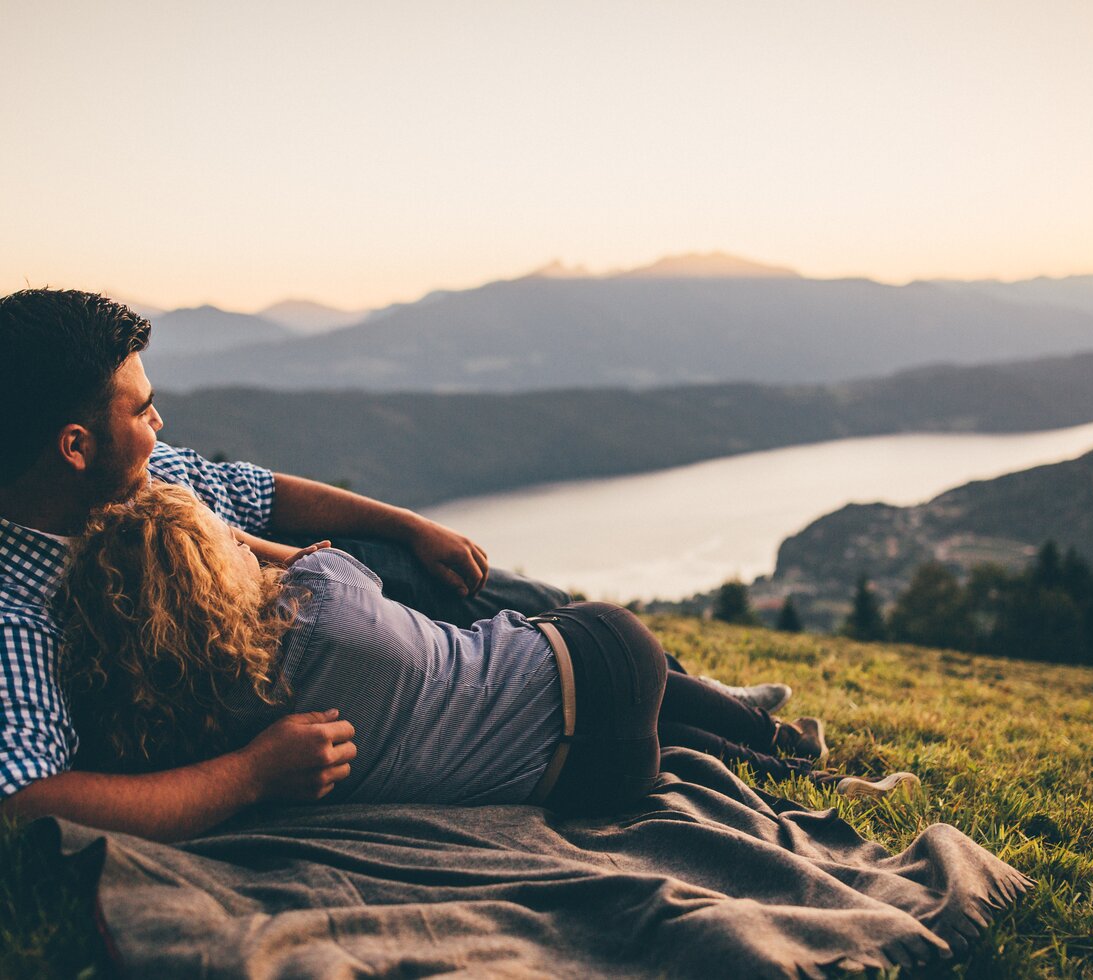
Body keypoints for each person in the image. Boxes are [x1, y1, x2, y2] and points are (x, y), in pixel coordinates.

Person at [0, 288, 805, 839]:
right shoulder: (15, 617)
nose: (160, 423)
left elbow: (256, 493)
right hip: (269, 700)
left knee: (450, 576)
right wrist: (249, 776)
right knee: (562, 651)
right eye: (142, 410)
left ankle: (681, 685)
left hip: (309, 648)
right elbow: (26, 803)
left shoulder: (137, 473)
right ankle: (665, 692)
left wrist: (412, 526)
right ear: (74, 448)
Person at [62, 484, 916, 813]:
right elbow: (315, 556)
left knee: (615, 732)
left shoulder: (223, 735)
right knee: (603, 655)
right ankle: (787, 754)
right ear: (220, 569)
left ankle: (781, 762)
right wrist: (238, 542)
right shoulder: (325, 598)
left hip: (584, 785)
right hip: (607, 660)